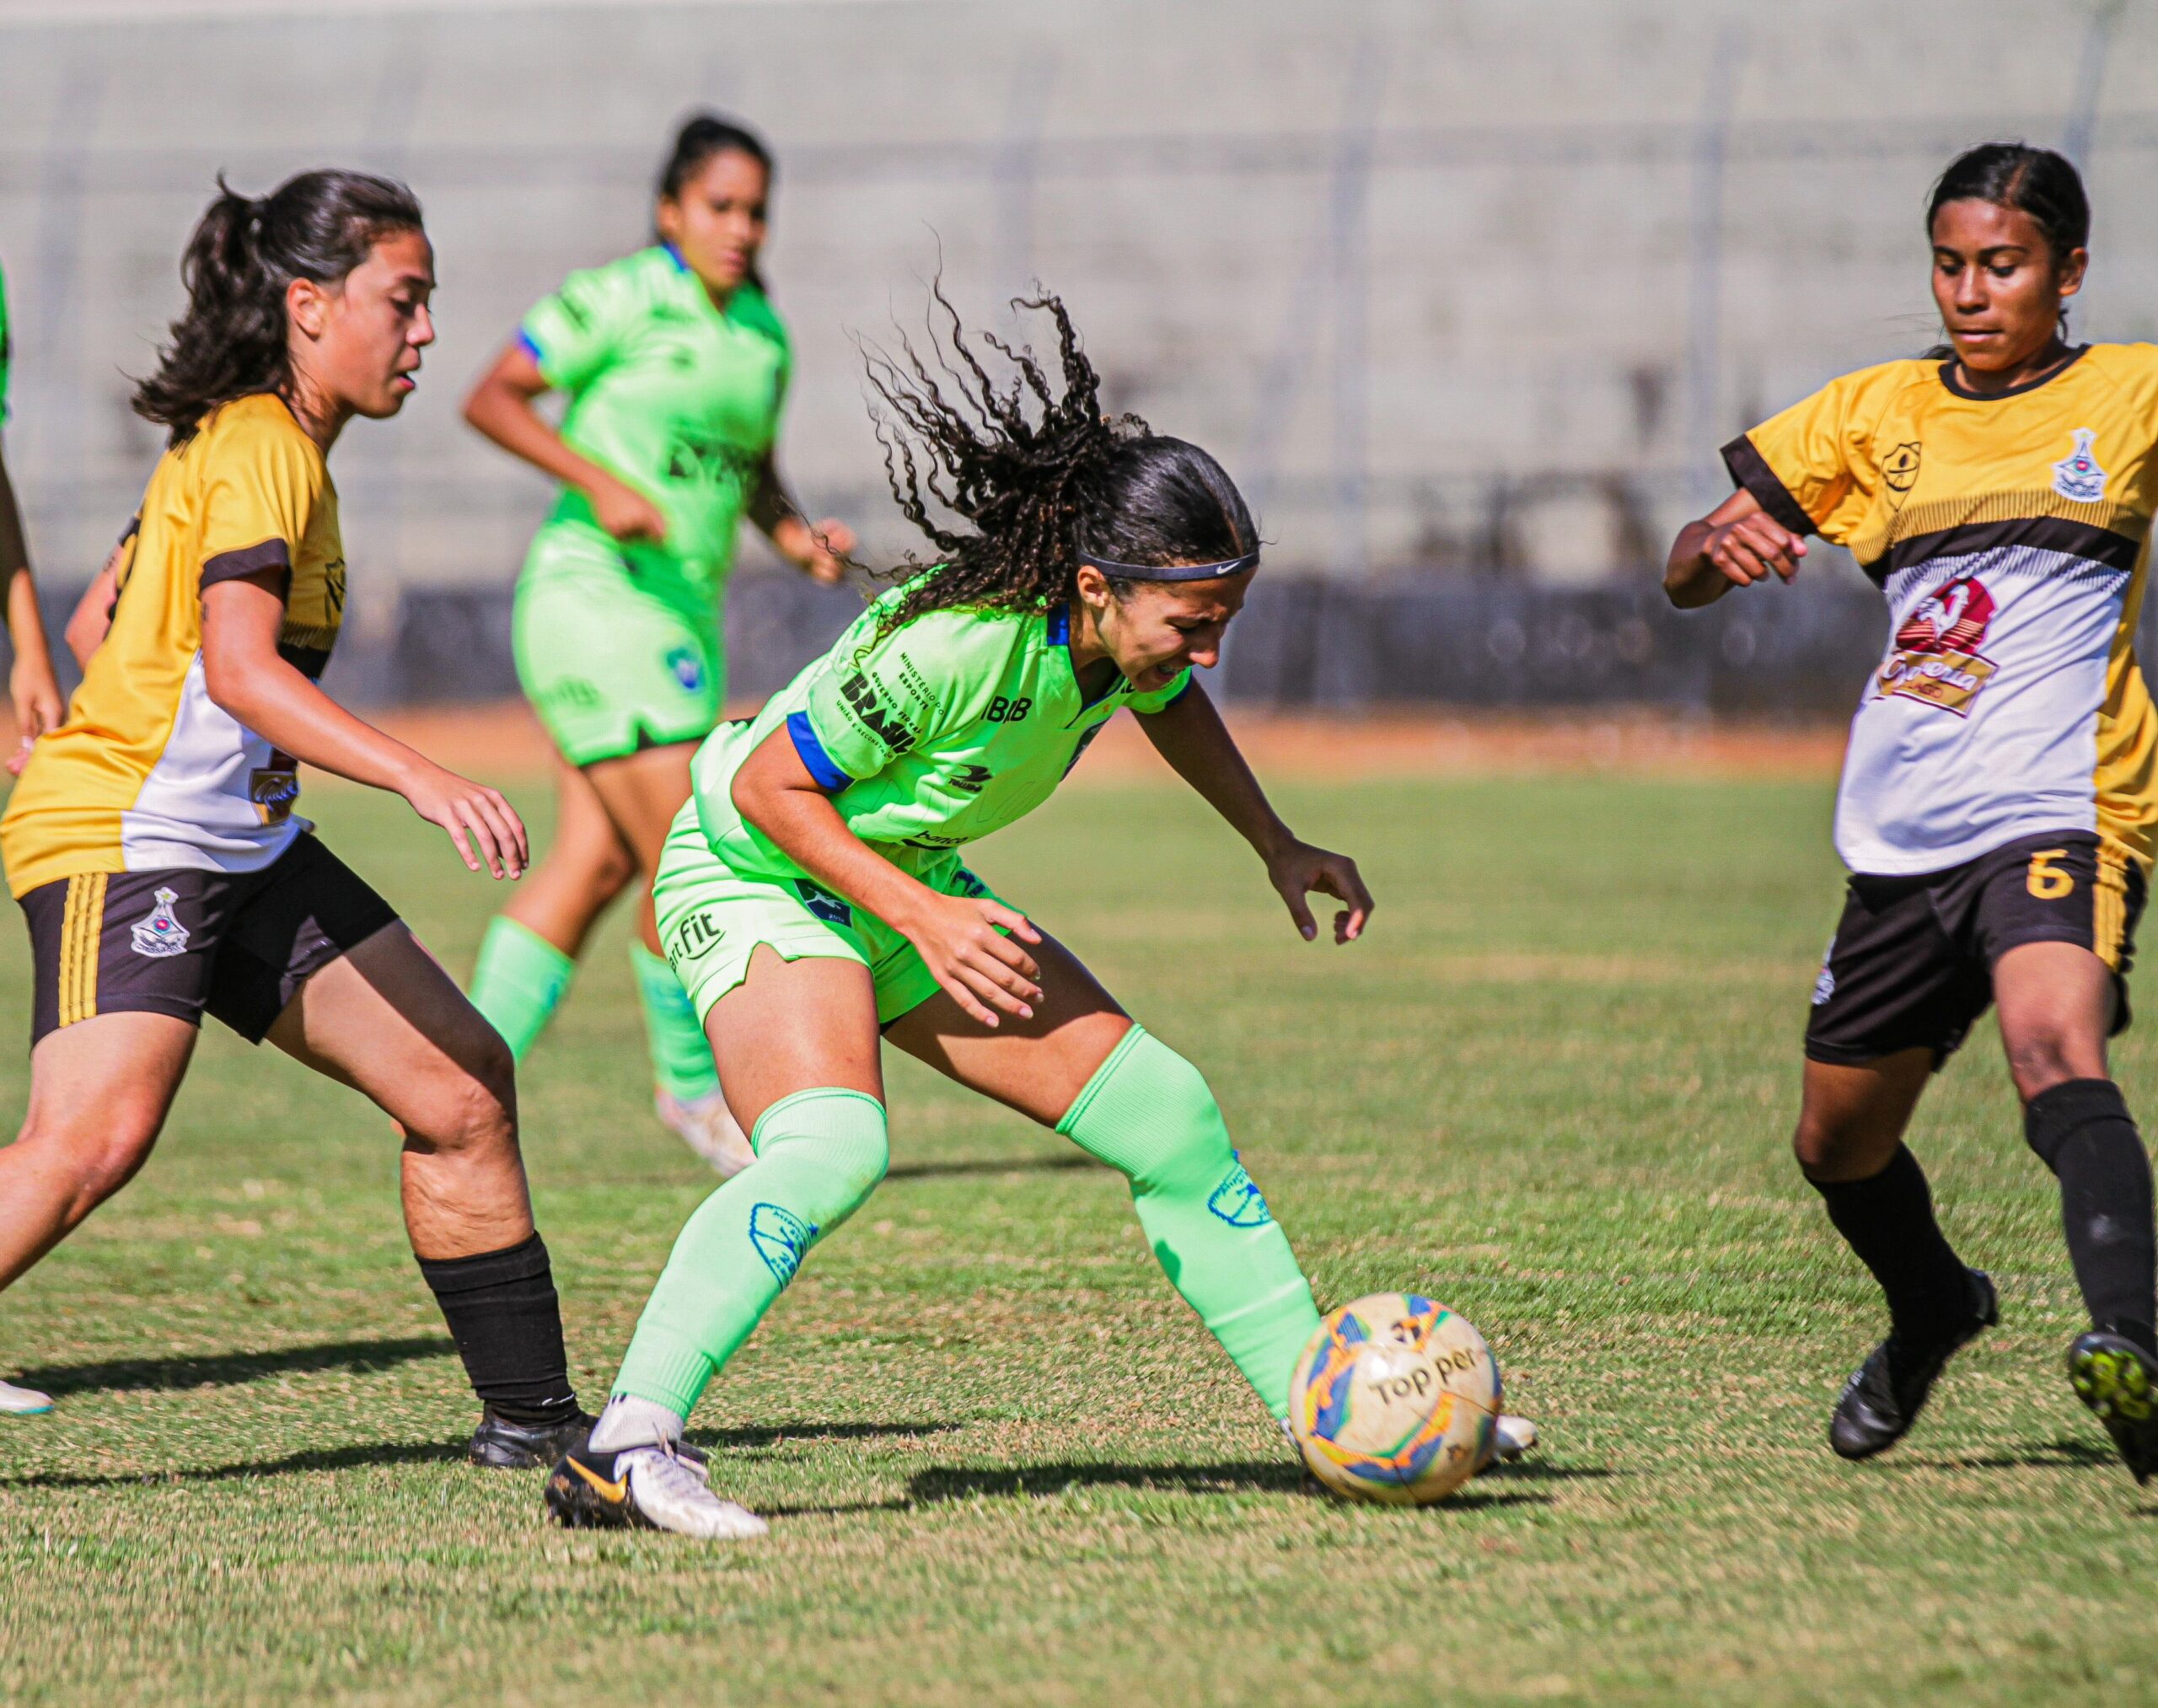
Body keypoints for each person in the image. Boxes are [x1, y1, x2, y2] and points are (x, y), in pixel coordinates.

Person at [542, 289, 1535, 1537]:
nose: (1210, 652)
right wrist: (929, 918)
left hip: (897, 875)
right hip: (753, 864)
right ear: (1095, 586)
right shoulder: (958, 643)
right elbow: (767, 787)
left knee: (1168, 1114)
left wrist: (1276, 842)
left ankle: (1342, 1413)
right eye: (1193, 621)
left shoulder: (1121, 643)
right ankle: (624, 1448)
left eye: (1225, 619)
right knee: (833, 1146)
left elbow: (1167, 699)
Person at [0, 170, 592, 1465]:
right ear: (311, 305)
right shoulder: (265, 443)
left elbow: (108, 617)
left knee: (460, 1087)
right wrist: (421, 775)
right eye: (406, 299)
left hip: (234, 839)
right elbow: (239, 668)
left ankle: (537, 1425)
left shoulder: (255, 440)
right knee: (89, 1142)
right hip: (134, 837)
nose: (426, 330)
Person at [1664, 142, 2158, 1483]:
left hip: (2065, 806)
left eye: (2003, 265)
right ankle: (1936, 1302)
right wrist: (1722, 547)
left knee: (2054, 1045)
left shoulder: (2130, 395)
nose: (1970, 291)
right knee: (1836, 1141)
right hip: (1902, 830)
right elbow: (1687, 562)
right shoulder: (1870, 414)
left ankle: (2140, 1348)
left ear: (2069, 272)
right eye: (1950, 264)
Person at [462, 114, 852, 1176]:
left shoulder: (764, 334)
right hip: (593, 601)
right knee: (694, 844)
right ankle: (696, 1095)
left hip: (682, 622)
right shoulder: (618, 298)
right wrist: (599, 483)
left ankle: (449, 1083)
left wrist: (794, 536)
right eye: (720, 206)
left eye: (756, 210)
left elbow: (750, 468)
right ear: (671, 208)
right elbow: (490, 395)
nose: (740, 227)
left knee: (589, 869)